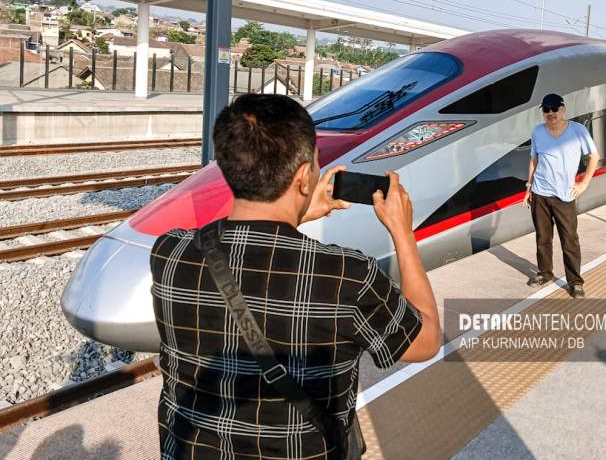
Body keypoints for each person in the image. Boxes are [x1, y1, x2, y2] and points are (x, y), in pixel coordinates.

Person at [150, 93, 441, 459]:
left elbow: (247, 257)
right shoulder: (347, 277)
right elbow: (425, 340)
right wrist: (403, 232)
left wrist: (295, 213)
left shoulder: (170, 253)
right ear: (304, 177)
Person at [523, 93, 600, 297]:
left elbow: (594, 156)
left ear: (563, 109)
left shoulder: (578, 130)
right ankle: (545, 273)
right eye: (546, 109)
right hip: (540, 193)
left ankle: (575, 281)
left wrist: (584, 183)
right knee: (542, 238)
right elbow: (534, 160)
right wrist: (528, 188)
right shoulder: (538, 131)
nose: (551, 113)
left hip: (564, 196)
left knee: (569, 240)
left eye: (554, 109)